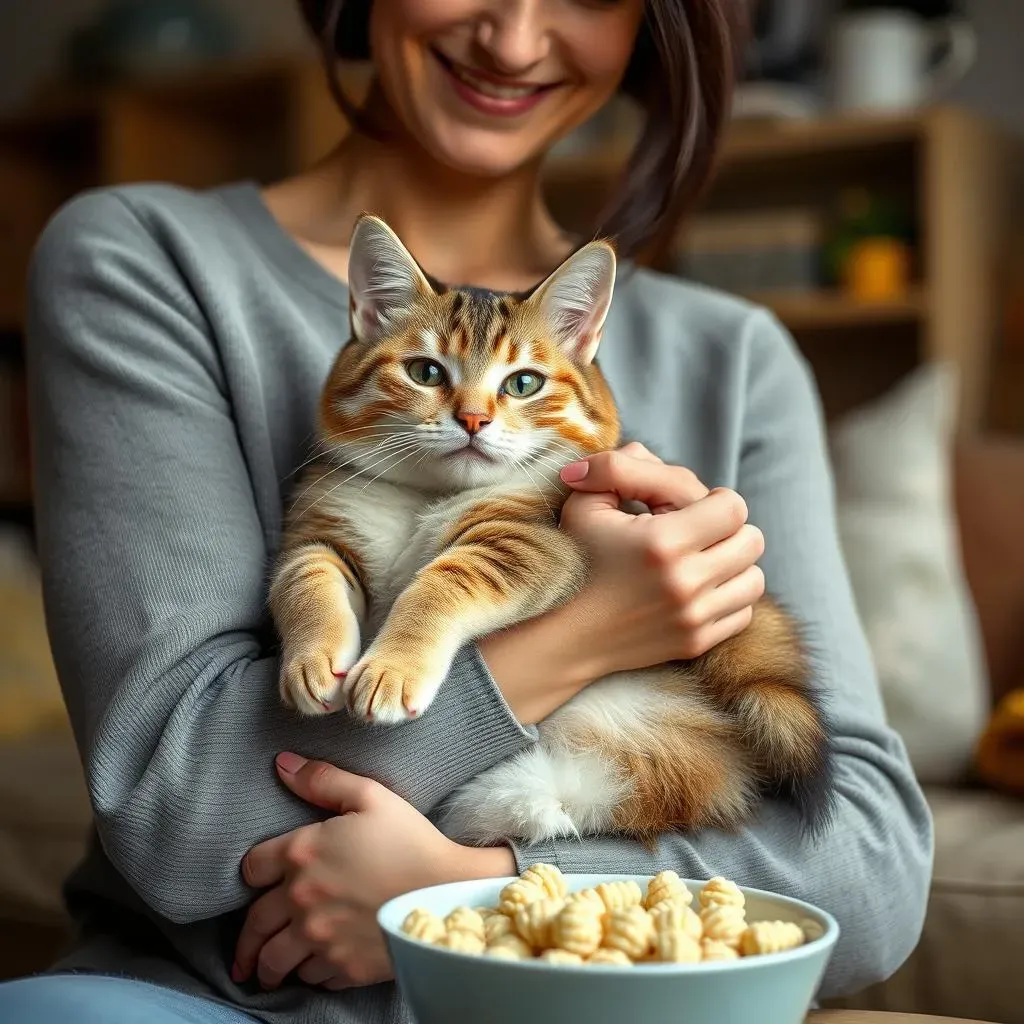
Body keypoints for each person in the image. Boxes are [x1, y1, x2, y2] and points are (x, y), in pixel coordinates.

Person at [0, 0, 933, 1021]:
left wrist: (473, 889)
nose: (514, 36)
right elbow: (180, 821)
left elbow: (867, 866)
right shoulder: (145, 259)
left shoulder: (738, 357)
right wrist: (584, 631)